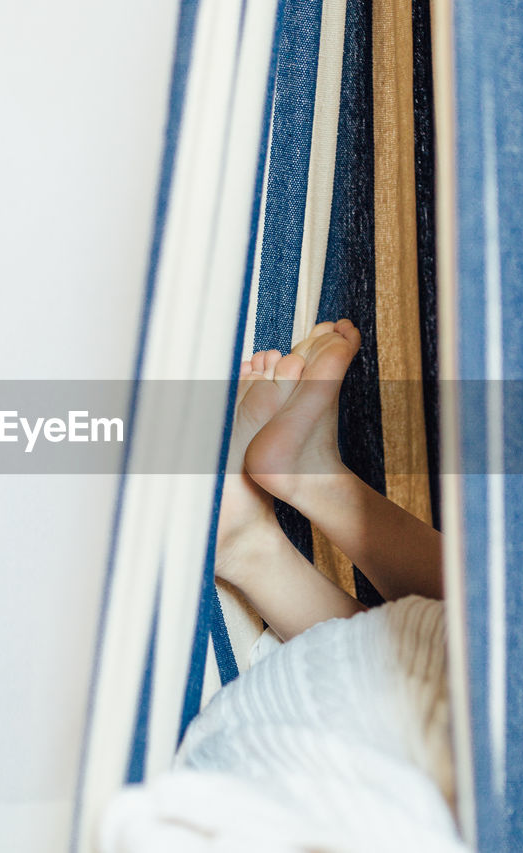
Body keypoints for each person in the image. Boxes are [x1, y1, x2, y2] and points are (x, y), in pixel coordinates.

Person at [99, 320, 465, 852]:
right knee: (512, 680)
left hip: (296, 792)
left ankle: (288, 511)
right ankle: (261, 535)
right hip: (342, 737)